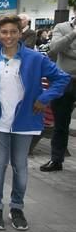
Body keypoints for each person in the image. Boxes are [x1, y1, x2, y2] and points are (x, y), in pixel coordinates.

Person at [0, 14, 69, 231]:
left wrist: (44, 98)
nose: (8, 36)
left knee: (20, 166)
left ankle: (17, 208)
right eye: (4, 32)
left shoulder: (35, 58)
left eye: (13, 31)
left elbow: (62, 78)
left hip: (25, 121)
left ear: (20, 33)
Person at [41, 14, 76, 172]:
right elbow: (55, 48)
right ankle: (56, 159)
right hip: (65, 80)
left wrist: (69, 50)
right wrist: (73, 33)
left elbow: (67, 51)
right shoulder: (61, 27)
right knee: (61, 123)